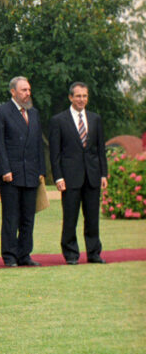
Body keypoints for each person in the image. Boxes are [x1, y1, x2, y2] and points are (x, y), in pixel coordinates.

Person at [49, 82, 107, 265]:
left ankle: (94, 253)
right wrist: (58, 177)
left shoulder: (95, 119)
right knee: (70, 218)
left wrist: (103, 174)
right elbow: (55, 153)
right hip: (70, 178)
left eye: (85, 96)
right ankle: (71, 254)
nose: (82, 99)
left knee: (92, 218)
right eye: (78, 96)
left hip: (92, 176)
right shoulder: (59, 120)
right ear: (70, 97)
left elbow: (100, 150)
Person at [0, 76, 44, 267]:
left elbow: (38, 144)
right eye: (23, 90)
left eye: (29, 90)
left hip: (31, 172)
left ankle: (24, 254)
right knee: (11, 217)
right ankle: (10, 255)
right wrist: (4, 169)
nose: (27, 93)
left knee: (28, 217)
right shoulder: (1, 112)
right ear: (13, 92)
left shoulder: (34, 113)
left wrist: (41, 171)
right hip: (11, 174)